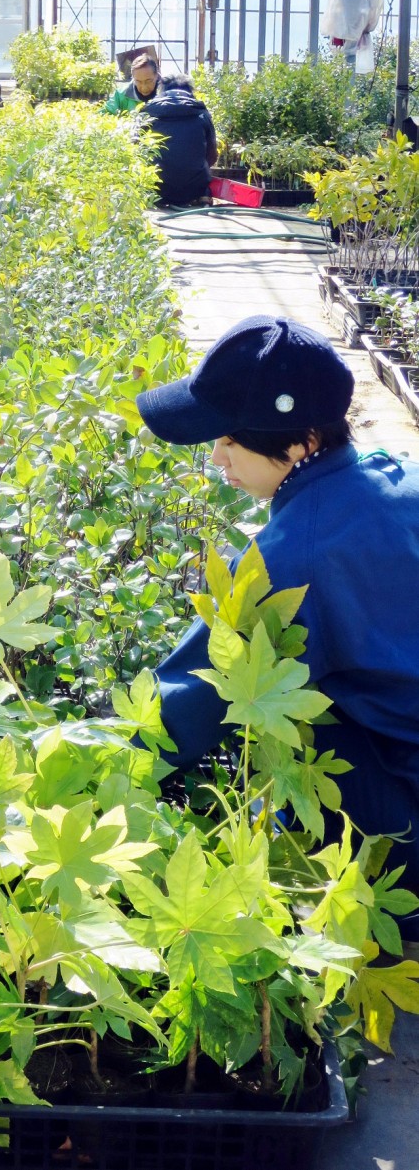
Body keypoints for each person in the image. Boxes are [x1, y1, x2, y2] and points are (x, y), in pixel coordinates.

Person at [136, 315, 419, 918]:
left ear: (300, 444)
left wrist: (103, 774)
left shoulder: (289, 557)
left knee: (290, 722)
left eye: (228, 442)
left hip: (407, 816)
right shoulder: (394, 475)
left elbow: (195, 696)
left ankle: (394, 907)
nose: (216, 459)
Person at [140, 74, 217, 207]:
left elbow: (136, 148)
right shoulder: (201, 113)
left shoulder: (147, 112)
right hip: (194, 188)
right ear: (189, 91)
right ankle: (203, 195)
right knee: (202, 173)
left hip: (157, 189)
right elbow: (212, 155)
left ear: (161, 91)